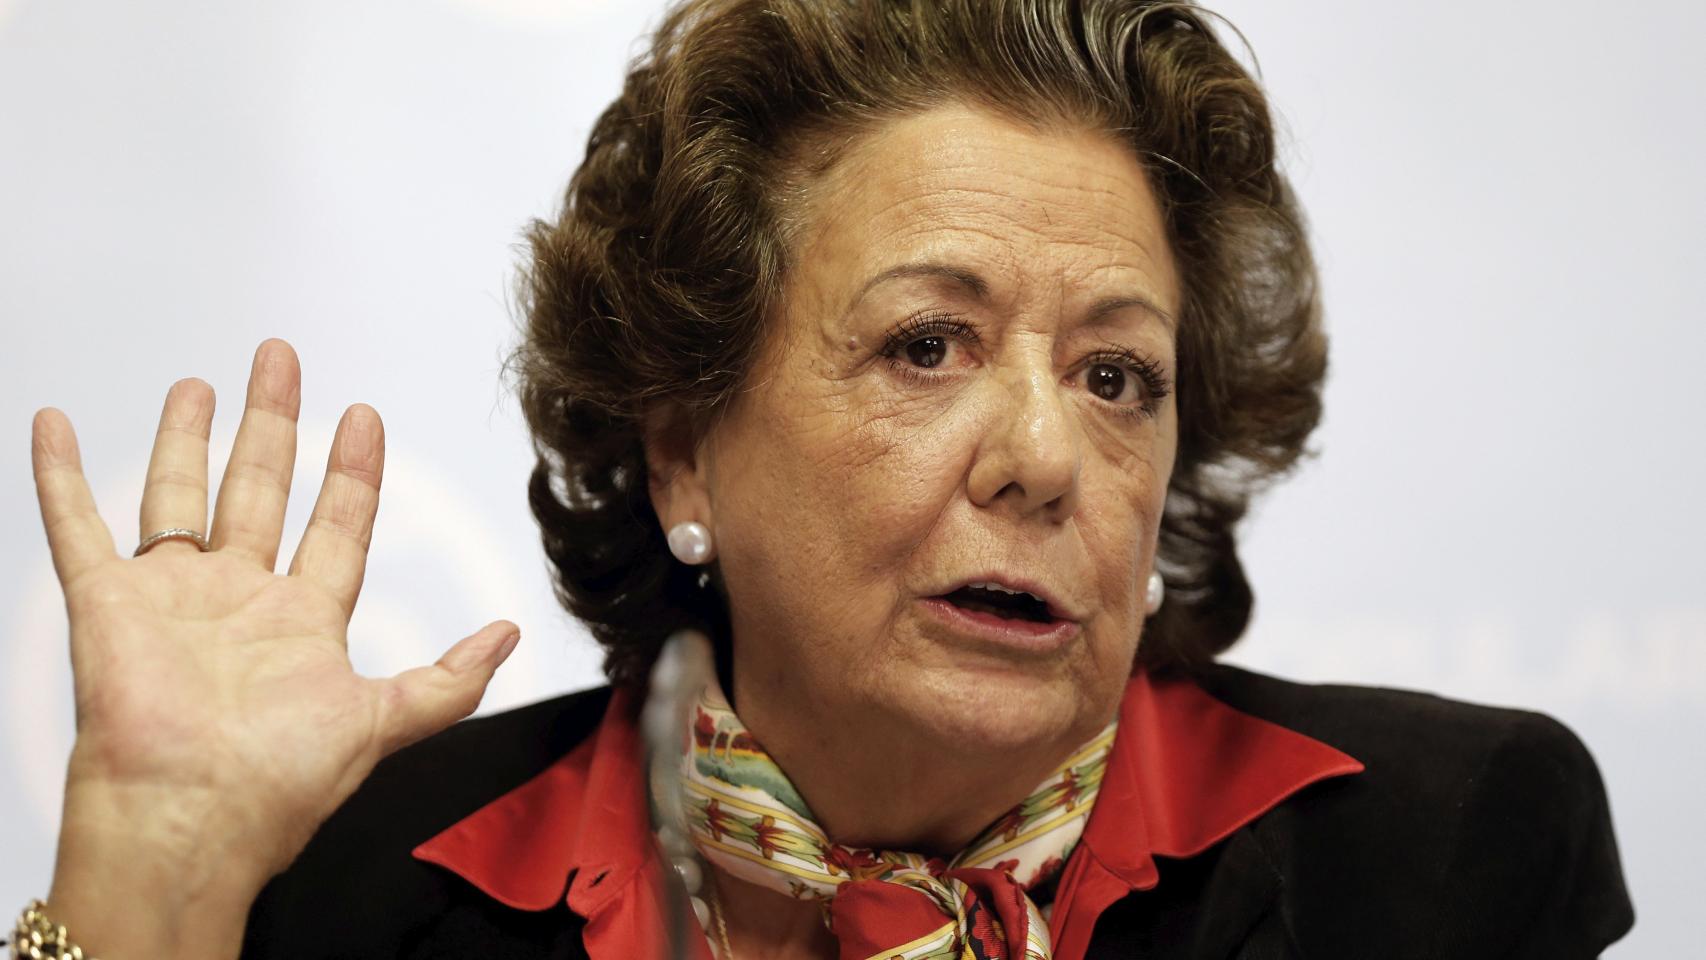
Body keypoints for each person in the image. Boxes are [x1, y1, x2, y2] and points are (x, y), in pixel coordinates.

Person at [16, 0, 1634, 958]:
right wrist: (152, 866)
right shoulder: (352, 890)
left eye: (1116, 376)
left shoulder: (1439, 856)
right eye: (928, 345)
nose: (1044, 457)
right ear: (680, 445)